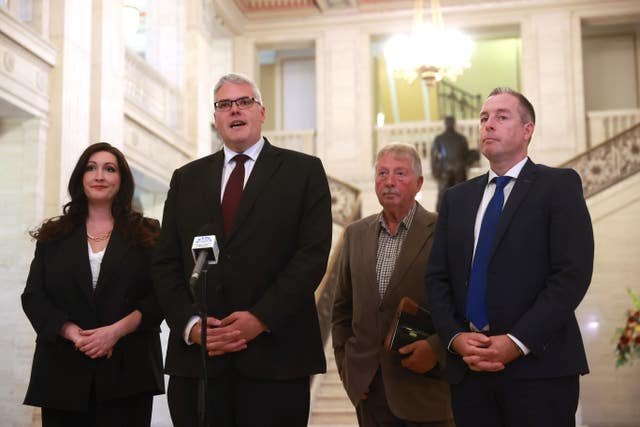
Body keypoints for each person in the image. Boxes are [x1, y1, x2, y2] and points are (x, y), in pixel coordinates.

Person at [151, 73, 332, 427]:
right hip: (199, 364)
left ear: (261, 112)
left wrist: (260, 318)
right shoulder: (186, 178)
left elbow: (311, 257)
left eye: (244, 102)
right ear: (215, 118)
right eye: (224, 104)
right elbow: (165, 264)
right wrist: (189, 325)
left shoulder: (303, 171)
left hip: (276, 359)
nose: (235, 110)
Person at [425, 87, 594, 427]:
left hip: (539, 371)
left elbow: (570, 275)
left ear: (527, 130)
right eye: (484, 118)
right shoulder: (457, 198)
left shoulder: (558, 185)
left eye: (501, 117)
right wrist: (456, 338)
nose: (488, 125)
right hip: (469, 374)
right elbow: (437, 278)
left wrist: (517, 342)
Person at [21, 142, 165, 427]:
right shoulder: (53, 234)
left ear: (121, 180)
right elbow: (34, 297)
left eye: (109, 169)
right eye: (91, 168)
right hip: (63, 371)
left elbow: (159, 297)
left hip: (128, 373)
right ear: (80, 178)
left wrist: (113, 333)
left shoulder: (148, 233)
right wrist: (73, 333)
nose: (99, 176)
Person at [332, 143, 454, 427]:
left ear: (419, 183)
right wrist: (349, 371)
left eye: (400, 173)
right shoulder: (355, 235)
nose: (389, 181)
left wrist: (436, 349)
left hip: (427, 392)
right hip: (371, 397)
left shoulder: (445, 231)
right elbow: (341, 312)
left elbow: (463, 303)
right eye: (382, 173)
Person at [430, 116, 472, 212]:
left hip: (445, 170)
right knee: (460, 196)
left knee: (443, 197)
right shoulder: (462, 138)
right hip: (459, 170)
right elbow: (466, 156)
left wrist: (434, 171)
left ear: (445, 124)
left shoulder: (439, 138)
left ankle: (441, 217)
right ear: (454, 124)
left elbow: (434, 157)